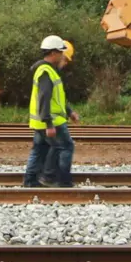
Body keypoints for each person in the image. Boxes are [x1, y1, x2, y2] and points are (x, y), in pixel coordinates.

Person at [23, 34, 80, 188]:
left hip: (43, 120)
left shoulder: (47, 71)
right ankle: (60, 181)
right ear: (53, 53)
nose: (63, 56)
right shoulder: (46, 72)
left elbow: (57, 99)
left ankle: (30, 181)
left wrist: (69, 112)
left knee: (39, 149)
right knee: (66, 147)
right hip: (52, 120)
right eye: (61, 52)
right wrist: (49, 123)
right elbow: (44, 99)